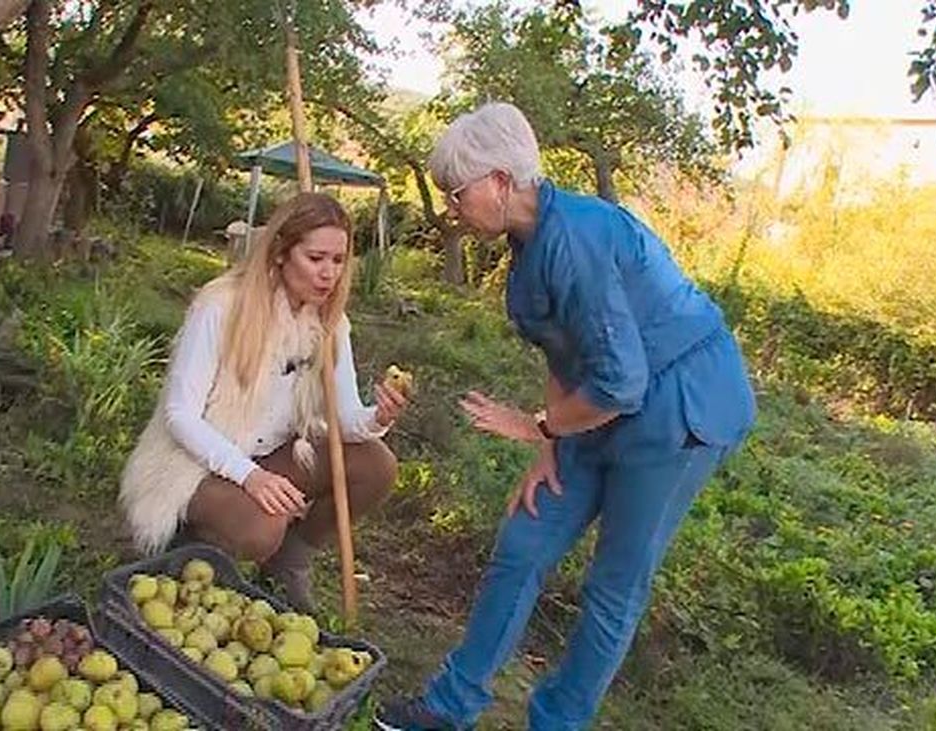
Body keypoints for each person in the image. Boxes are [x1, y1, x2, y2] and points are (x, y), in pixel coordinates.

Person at [374, 102, 757, 730]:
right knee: (524, 540)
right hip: (600, 405)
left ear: (500, 181)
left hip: (680, 405)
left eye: (457, 191)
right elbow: (563, 352)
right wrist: (548, 447)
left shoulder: (578, 237)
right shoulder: (527, 250)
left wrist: (541, 427)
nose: (450, 206)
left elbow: (623, 381)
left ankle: (557, 722)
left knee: (614, 583)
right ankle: (449, 705)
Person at [119, 192, 408, 613]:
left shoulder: (329, 323)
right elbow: (179, 414)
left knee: (374, 465)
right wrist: (250, 478)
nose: (329, 274)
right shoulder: (222, 306)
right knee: (261, 527)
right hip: (193, 465)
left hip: (268, 454)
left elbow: (342, 418)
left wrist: (377, 417)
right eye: (316, 258)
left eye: (339, 260)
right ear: (279, 253)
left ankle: (289, 565)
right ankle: (190, 541)